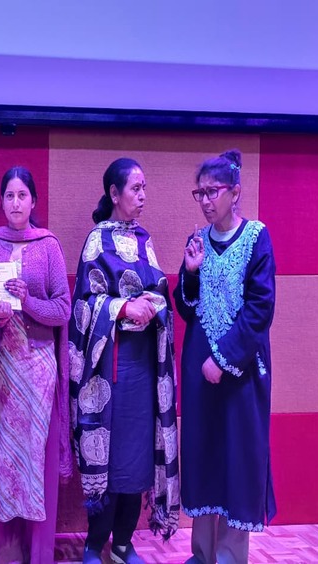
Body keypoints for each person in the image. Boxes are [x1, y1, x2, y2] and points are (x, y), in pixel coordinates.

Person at [68, 158, 179, 564]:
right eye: (135, 188)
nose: (143, 195)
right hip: (110, 369)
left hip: (144, 367)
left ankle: (122, 543)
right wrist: (121, 308)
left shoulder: (145, 240)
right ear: (114, 194)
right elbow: (84, 305)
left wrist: (153, 304)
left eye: (144, 187)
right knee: (111, 459)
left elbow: (160, 291)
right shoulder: (97, 241)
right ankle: (94, 543)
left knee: (137, 456)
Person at [174, 149, 276, 564]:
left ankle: (231, 555)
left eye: (212, 191)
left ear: (235, 192)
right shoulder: (198, 240)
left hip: (242, 369)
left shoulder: (256, 238)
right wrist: (190, 272)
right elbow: (187, 308)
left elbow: (260, 309)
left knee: (238, 457)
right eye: (199, 193)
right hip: (199, 370)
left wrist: (223, 359)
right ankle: (202, 554)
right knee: (204, 453)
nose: (205, 200)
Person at [0, 166, 72, 563]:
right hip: (1, 369)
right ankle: (7, 553)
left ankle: (39, 554)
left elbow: (63, 309)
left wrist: (28, 301)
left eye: (22, 195)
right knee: (4, 462)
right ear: (1, 202)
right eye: (9, 195)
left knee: (36, 461)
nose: (16, 203)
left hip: (38, 369)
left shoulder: (48, 245)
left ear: (33, 201)